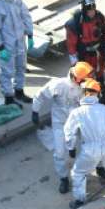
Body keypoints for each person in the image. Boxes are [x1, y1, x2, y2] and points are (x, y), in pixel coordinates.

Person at [64, 79, 105, 208]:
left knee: (78, 173)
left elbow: (69, 131)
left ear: (83, 93)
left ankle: (79, 200)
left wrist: (71, 147)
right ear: (97, 94)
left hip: (90, 149)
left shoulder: (77, 112)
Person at [32, 61, 94, 194]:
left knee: (93, 145)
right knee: (60, 153)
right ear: (77, 78)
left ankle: (99, 168)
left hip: (79, 122)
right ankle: (64, 178)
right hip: (61, 123)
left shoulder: (85, 87)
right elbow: (40, 95)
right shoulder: (58, 85)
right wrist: (35, 111)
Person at [65, 0, 105, 99]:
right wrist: (75, 65)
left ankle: (102, 99)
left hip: (98, 53)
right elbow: (71, 46)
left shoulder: (99, 17)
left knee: (100, 77)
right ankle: (89, 102)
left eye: (93, 8)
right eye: (89, 9)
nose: (92, 11)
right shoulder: (74, 24)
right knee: (86, 80)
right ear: (84, 9)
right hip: (84, 56)